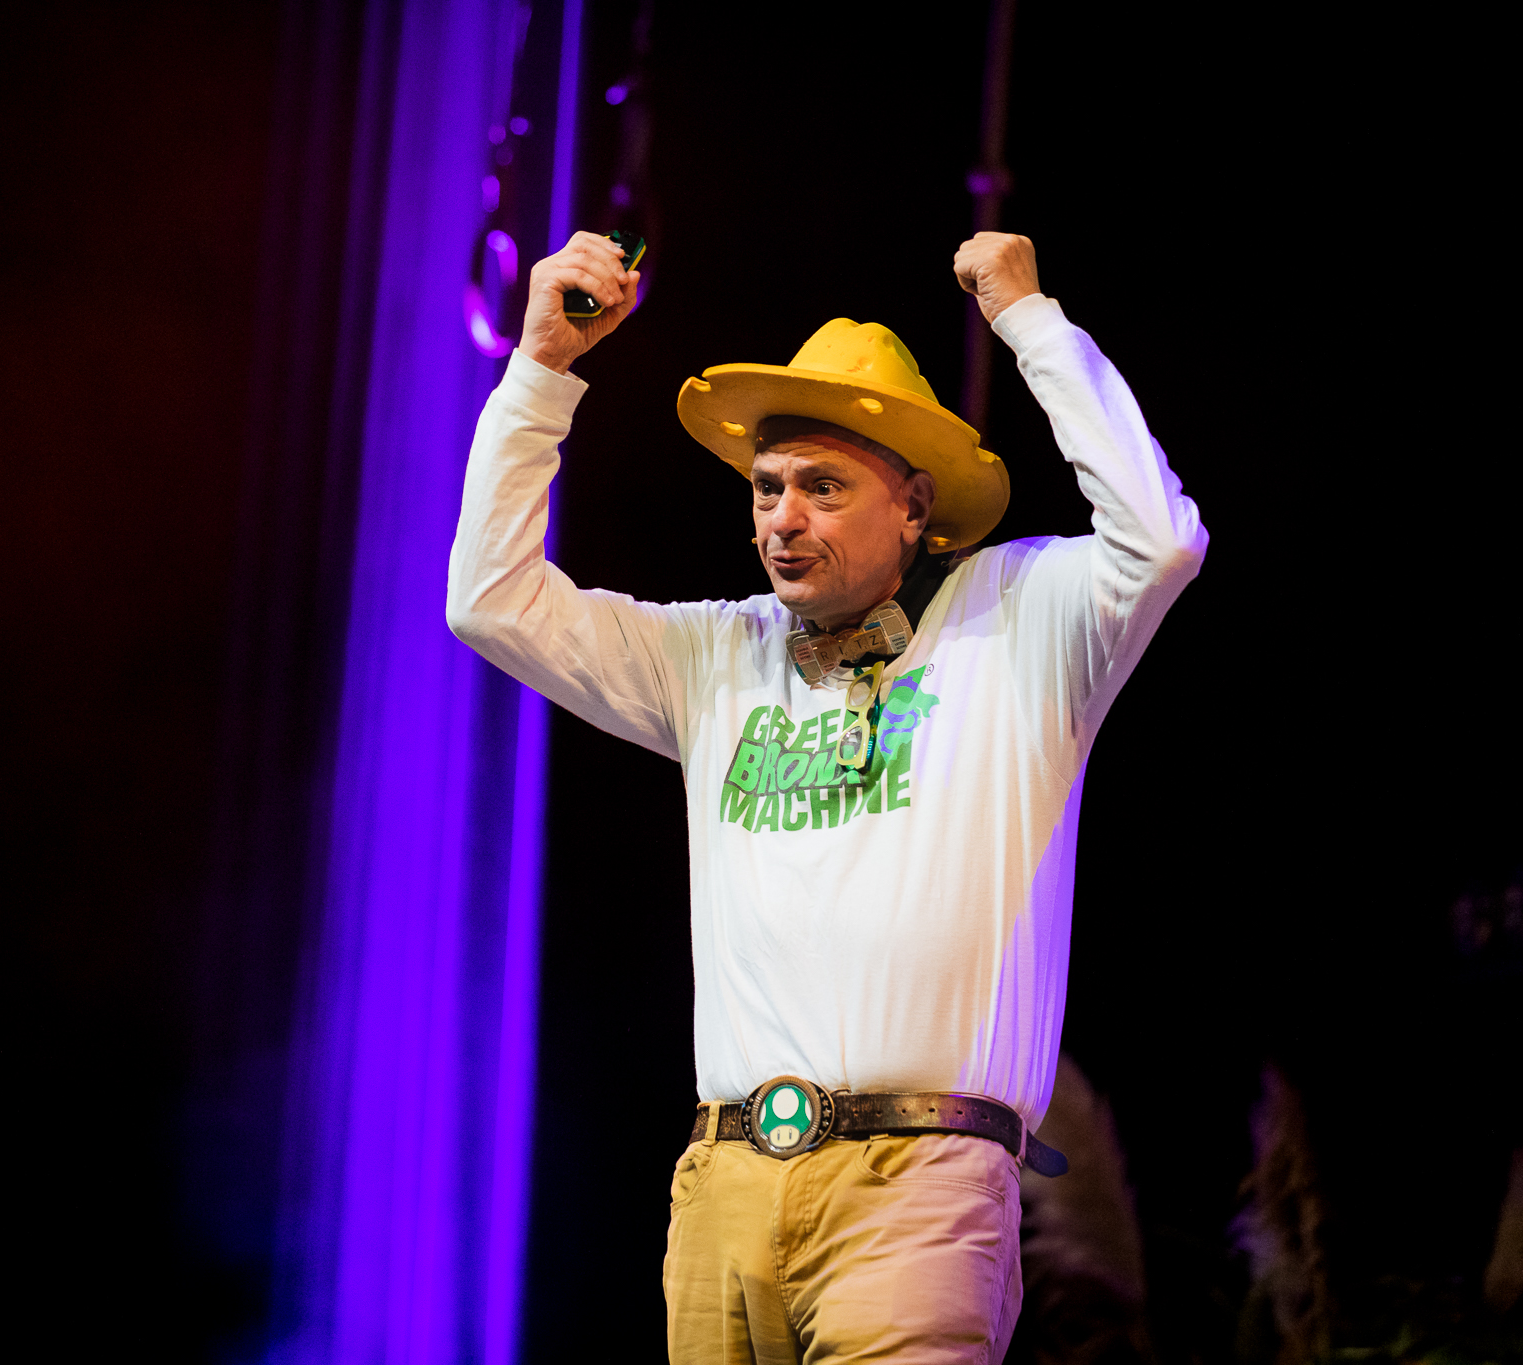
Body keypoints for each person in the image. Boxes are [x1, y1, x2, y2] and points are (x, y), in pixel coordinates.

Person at [446, 229, 1205, 1362]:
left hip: (918, 1189)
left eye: (820, 487)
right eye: (764, 489)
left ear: (910, 505)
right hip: (723, 1188)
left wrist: (1025, 320)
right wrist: (543, 367)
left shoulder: (1017, 622)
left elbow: (1158, 541)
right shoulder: (714, 655)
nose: (779, 520)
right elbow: (489, 601)